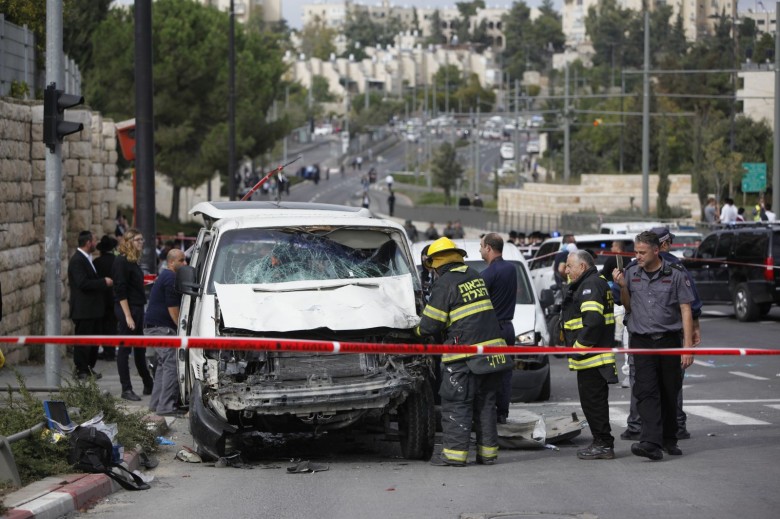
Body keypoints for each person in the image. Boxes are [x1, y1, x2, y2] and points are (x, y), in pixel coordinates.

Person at [416, 237, 510, 466]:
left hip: (463, 357)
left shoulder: (445, 282)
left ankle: (454, 455)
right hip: (492, 354)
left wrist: (417, 330)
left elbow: (431, 324)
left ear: (437, 264)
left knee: (456, 403)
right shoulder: (475, 275)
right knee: (486, 404)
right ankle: (487, 455)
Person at [614, 231, 694, 460]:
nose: (637, 256)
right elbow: (628, 307)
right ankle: (650, 442)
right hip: (642, 341)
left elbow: (686, 310)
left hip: (669, 341)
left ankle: (669, 438)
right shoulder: (630, 273)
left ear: (656, 251)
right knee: (646, 392)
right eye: (635, 252)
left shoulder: (676, 274)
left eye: (642, 252)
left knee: (669, 392)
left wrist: (687, 347)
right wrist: (622, 286)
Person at [562, 250, 618, 460]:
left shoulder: (590, 285)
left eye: (569, 266)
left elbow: (593, 322)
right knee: (592, 402)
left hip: (592, 359)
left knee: (593, 403)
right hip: (591, 358)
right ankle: (601, 442)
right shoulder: (593, 282)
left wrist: (578, 348)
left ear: (582, 267)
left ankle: (603, 444)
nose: (566, 270)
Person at [112, 228, 155, 401]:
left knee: (139, 348)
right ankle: (126, 388)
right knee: (124, 349)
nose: (141, 242)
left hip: (136, 307)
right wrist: (128, 316)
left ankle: (148, 382)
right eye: (138, 240)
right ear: (129, 242)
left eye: (142, 239)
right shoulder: (121, 262)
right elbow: (120, 291)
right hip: (127, 309)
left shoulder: (132, 261)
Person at [479, 233, 517, 425]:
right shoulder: (512, 269)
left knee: (488, 372)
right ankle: (503, 413)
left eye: (481, 246)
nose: (480, 250)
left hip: (492, 330)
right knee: (505, 373)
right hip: (509, 327)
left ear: (488, 248)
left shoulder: (487, 274)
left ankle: (488, 413)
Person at [145, 249, 187, 416]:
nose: (185, 264)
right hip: (161, 328)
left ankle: (156, 405)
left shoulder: (166, 276)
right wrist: (181, 331)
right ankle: (166, 407)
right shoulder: (170, 277)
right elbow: (173, 310)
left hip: (155, 327)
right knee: (171, 364)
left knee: (163, 365)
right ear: (171, 262)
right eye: (181, 260)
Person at [68, 231, 113, 379]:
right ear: (88, 243)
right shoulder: (77, 260)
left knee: (93, 342)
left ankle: (88, 368)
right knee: (83, 341)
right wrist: (103, 282)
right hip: (84, 310)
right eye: (94, 240)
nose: (96, 243)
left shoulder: (87, 259)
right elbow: (82, 283)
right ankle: (81, 369)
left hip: (93, 310)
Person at [93, 235, 118, 361]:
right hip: (115, 298)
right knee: (112, 325)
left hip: (101, 298)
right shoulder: (117, 261)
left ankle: (104, 349)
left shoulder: (97, 262)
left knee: (101, 325)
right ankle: (111, 351)